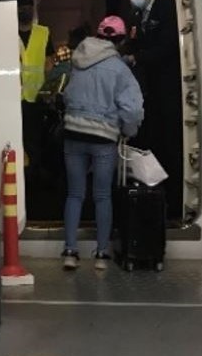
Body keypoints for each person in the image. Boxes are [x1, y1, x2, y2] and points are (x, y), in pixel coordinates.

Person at [61, 16, 144, 270]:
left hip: (73, 134)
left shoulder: (77, 59)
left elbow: (66, 95)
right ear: (120, 40)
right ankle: (101, 254)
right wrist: (128, 131)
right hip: (103, 138)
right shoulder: (120, 69)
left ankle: (70, 251)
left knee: (75, 194)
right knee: (102, 196)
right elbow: (132, 109)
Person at [121, 0, 183, 221]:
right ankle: (154, 200)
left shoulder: (168, 9)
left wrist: (138, 57)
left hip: (168, 87)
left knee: (171, 146)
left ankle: (175, 204)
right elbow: (135, 40)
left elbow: (168, 47)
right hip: (148, 91)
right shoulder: (137, 13)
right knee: (152, 144)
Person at [18, 0, 54, 181]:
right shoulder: (8, 33)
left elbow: (49, 63)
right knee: (18, 138)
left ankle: (34, 175)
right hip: (15, 98)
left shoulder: (43, 32)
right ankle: (22, 174)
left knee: (35, 138)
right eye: (21, 8)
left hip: (37, 96)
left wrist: (48, 89)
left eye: (28, 8)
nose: (25, 11)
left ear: (33, 10)